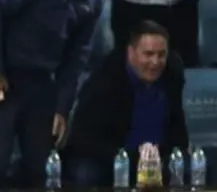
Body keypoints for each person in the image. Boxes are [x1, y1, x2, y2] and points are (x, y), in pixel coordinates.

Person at [0, 0, 107, 186]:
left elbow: (77, 58)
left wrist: (62, 108)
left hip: (42, 86)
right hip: (7, 77)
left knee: (41, 171)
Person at [64, 20, 188, 187]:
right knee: (86, 172)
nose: (155, 62)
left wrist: (166, 157)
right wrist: (132, 158)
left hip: (158, 159)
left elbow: (178, 127)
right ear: (131, 53)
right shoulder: (104, 81)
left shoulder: (172, 74)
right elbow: (84, 141)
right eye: (148, 54)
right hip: (113, 158)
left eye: (161, 54)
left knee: (188, 166)